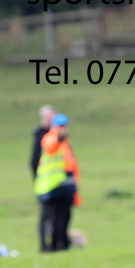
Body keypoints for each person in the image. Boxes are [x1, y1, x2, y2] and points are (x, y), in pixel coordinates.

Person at [34, 114, 80, 251]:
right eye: (60, 126)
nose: (63, 129)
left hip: (64, 186)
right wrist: (58, 137)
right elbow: (50, 147)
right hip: (50, 187)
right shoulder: (50, 138)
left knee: (64, 217)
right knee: (50, 218)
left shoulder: (66, 142)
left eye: (64, 126)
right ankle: (49, 246)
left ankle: (61, 244)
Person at [31, 105, 56, 251]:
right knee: (45, 215)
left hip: (56, 181)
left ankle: (54, 243)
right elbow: (33, 161)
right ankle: (43, 244)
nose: (51, 120)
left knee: (55, 215)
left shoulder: (57, 135)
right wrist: (38, 180)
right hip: (44, 182)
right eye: (49, 117)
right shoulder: (40, 136)